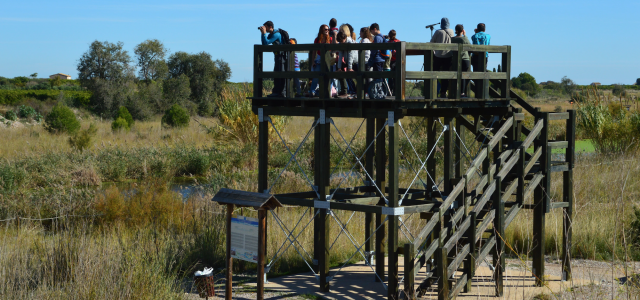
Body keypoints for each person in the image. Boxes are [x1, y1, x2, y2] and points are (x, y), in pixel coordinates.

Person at [259, 21, 287, 97]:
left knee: (280, 74)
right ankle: (277, 92)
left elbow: (266, 43)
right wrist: (263, 33)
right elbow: (264, 43)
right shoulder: (271, 34)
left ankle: (281, 93)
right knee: (276, 73)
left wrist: (264, 33)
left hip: (281, 57)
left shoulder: (276, 34)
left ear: (270, 27)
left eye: (266, 27)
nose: (265, 28)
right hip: (277, 56)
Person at [430, 17, 454, 98]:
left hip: (438, 55)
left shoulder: (438, 32)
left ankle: (434, 91)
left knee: (434, 74)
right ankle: (443, 92)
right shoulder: (451, 31)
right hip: (448, 56)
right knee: (445, 75)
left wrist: (434, 51)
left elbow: (431, 42)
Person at [306, 24, 332, 97]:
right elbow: (314, 51)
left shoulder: (330, 39)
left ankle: (327, 93)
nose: (327, 30)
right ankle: (312, 91)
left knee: (328, 77)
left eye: (328, 29)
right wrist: (313, 61)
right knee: (316, 77)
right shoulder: (317, 40)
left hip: (328, 60)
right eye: (325, 29)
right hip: (319, 59)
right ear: (322, 30)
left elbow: (333, 48)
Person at [337, 25, 358, 97]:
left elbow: (351, 55)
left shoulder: (349, 42)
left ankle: (356, 92)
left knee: (358, 77)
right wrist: (339, 67)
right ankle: (347, 91)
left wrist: (349, 67)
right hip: (348, 61)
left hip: (355, 61)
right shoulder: (341, 41)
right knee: (347, 76)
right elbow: (340, 55)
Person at [451, 24, 471, 97]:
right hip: (465, 59)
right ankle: (462, 92)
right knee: (464, 76)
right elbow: (469, 45)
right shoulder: (464, 39)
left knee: (456, 76)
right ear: (462, 31)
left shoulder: (452, 39)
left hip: (455, 60)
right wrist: (465, 35)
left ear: (456, 30)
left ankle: (455, 92)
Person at [471, 23, 491, 97]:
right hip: (484, 57)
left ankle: (477, 93)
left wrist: (476, 33)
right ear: (485, 29)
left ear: (477, 29)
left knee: (476, 75)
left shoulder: (474, 36)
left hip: (475, 57)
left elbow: (472, 38)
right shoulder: (488, 36)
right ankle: (483, 93)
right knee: (483, 73)